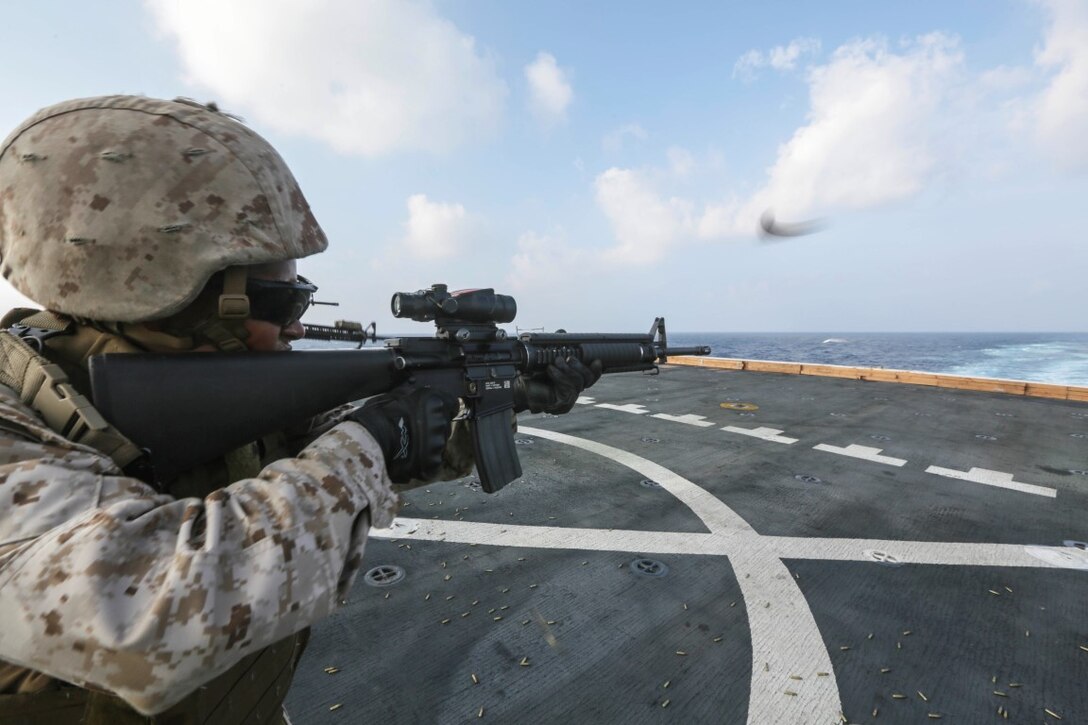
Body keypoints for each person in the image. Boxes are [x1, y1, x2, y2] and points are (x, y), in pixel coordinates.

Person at [0, 95, 599, 724]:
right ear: (175, 298)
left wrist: (500, 401)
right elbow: (146, 621)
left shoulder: (216, 393)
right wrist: (370, 445)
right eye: (284, 302)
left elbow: (337, 446)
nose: (296, 327)